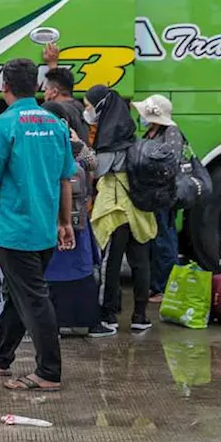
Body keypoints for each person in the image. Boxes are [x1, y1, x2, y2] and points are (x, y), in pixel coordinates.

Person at [0, 58, 74, 392]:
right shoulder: (55, 123)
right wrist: (64, 222)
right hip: (44, 230)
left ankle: (48, 371)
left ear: (5, 86)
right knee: (20, 294)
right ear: (38, 85)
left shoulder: (3, 125)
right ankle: (1, 357)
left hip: (15, 232)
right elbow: (65, 181)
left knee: (33, 298)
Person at [87, 85, 157, 333]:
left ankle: (108, 316)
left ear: (100, 107)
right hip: (139, 209)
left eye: (88, 106)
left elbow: (98, 169)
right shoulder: (132, 136)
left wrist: (82, 150)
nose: (87, 111)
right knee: (140, 263)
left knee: (111, 264)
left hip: (115, 210)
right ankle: (140, 315)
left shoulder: (108, 137)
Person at [45, 128, 114, 337]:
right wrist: (79, 143)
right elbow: (93, 164)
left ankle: (52, 326)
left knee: (50, 276)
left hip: (51, 226)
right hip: (75, 226)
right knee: (82, 274)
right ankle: (90, 323)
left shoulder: (43, 152)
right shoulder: (74, 155)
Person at [133, 95, 186, 303]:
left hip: (164, 195)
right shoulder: (153, 131)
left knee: (165, 240)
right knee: (156, 240)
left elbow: (170, 162)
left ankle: (165, 288)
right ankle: (157, 286)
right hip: (153, 195)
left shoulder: (171, 131)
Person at [42, 43, 89, 143]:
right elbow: (57, 82)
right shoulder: (79, 107)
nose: (44, 94)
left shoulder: (57, 112)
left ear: (54, 92)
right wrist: (52, 64)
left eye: (46, 89)